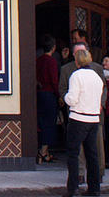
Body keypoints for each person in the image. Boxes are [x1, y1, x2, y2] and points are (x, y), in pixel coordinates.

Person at [59, 42, 106, 182]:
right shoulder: (67, 69)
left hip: (90, 114)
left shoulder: (96, 69)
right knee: (80, 150)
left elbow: (104, 89)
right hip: (82, 114)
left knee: (95, 148)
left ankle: (97, 174)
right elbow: (62, 88)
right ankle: (80, 175)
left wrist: (100, 103)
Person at [36, 34, 60, 163]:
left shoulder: (38, 60)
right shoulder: (52, 62)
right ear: (53, 48)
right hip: (49, 95)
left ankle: (42, 151)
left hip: (39, 94)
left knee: (40, 123)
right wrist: (59, 95)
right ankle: (43, 151)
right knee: (49, 124)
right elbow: (54, 81)